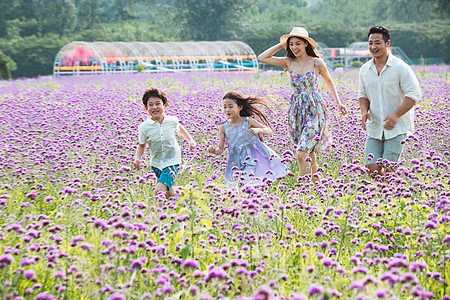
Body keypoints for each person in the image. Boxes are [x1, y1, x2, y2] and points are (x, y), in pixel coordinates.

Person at [258, 27, 348, 182]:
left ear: (306, 44)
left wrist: (338, 102)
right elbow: (262, 57)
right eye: (291, 44)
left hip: (315, 109)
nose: (294, 48)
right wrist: (282, 44)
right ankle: (317, 186)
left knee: (302, 152)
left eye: (297, 43)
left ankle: (302, 189)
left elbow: (328, 81)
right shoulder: (288, 62)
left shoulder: (316, 63)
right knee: (309, 152)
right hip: (297, 111)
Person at [358, 25, 421, 178]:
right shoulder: (365, 69)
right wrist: (364, 111)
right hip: (374, 127)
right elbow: (362, 94)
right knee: (372, 168)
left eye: (377, 42)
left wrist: (395, 115)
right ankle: (382, 195)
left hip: (397, 128)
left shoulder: (401, 68)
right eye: (370, 43)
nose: (373, 46)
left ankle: (390, 198)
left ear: (387, 44)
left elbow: (414, 95)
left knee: (389, 169)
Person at [208, 91, 288, 186]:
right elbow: (220, 149)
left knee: (250, 182)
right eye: (225, 107)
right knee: (236, 186)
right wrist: (214, 151)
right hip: (235, 161)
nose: (227, 110)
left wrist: (258, 130)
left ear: (240, 107)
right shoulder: (223, 127)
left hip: (253, 157)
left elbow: (269, 131)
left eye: (230, 106)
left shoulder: (248, 121)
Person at [134, 88, 197, 198]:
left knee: (159, 191)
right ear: (146, 108)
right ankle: (186, 193)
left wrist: (190, 140)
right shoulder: (143, 127)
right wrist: (137, 158)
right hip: (156, 163)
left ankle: (157, 214)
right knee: (169, 192)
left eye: (158, 104)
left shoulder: (172, 121)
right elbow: (141, 145)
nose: (154, 107)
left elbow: (179, 128)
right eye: (151, 105)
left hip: (173, 160)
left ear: (165, 105)